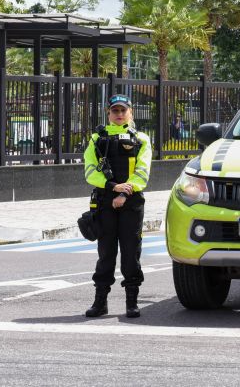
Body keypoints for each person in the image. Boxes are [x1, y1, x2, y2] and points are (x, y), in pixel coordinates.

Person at [82, 94, 152, 318]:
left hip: (131, 202)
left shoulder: (141, 139)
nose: (119, 114)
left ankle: (132, 302)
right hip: (105, 201)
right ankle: (100, 302)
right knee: (106, 252)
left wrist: (124, 192)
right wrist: (112, 187)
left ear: (130, 112)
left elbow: (142, 172)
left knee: (131, 252)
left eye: (123, 110)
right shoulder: (96, 138)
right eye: (115, 111)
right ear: (108, 113)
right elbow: (90, 171)